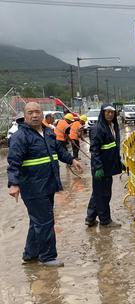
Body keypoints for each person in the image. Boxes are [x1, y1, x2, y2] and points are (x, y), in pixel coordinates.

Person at [7, 102, 83, 267]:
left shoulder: (48, 132)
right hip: (33, 187)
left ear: (42, 114)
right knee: (45, 221)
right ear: (24, 116)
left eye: (37, 112)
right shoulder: (20, 137)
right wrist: (13, 183)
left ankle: (30, 254)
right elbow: (13, 162)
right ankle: (47, 257)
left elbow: (59, 150)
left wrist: (72, 160)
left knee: (38, 221)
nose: (34, 115)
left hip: (48, 184)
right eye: (30, 112)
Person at [85, 104, 123, 228]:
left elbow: (113, 148)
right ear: (103, 113)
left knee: (98, 193)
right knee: (104, 194)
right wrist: (98, 167)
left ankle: (90, 218)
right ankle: (105, 220)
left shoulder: (111, 126)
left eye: (112, 112)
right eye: (107, 112)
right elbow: (94, 150)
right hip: (101, 168)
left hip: (108, 166)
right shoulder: (98, 128)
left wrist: (119, 162)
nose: (110, 114)